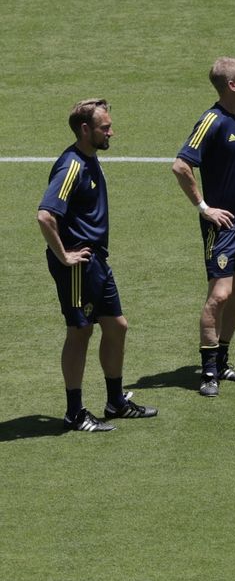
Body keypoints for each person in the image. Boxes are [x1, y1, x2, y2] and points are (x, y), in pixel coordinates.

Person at [38, 99, 158, 431]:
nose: (111, 132)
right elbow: (45, 215)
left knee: (117, 326)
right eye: (105, 127)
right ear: (85, 130)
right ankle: (75, 413)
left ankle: (116, 402)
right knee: (80, 332)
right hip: (78, 265)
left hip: (96, 262)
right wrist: (65, 256)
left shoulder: (90, 159)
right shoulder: (72, 167)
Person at [172, 58, 235, 398]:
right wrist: (204, 207)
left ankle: (223, 359)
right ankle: (208, 371)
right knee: (219, 295)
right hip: (224, 226)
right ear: (232, 86)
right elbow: (181, 166)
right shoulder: (210, 121)